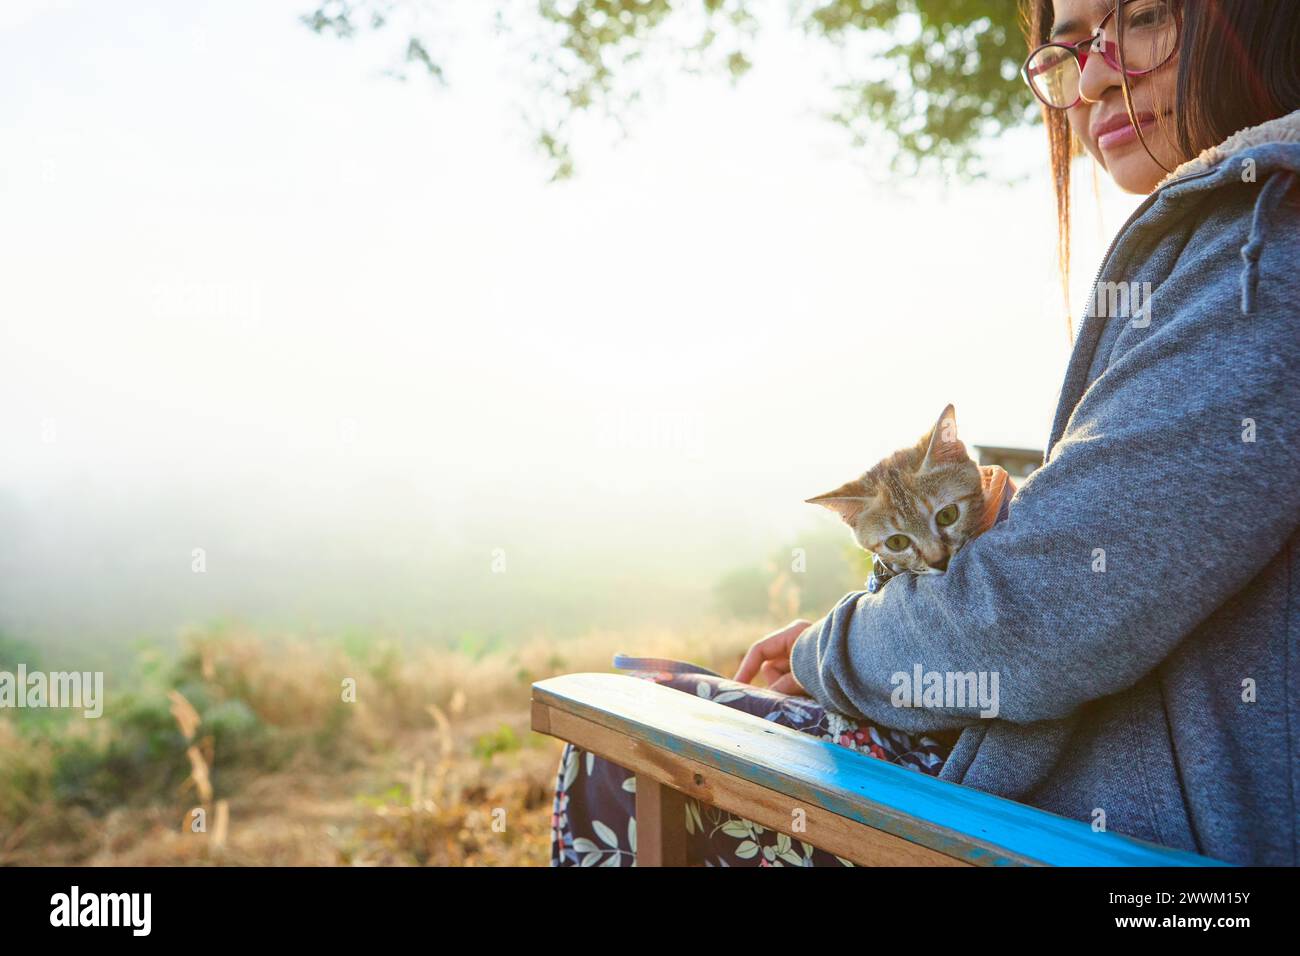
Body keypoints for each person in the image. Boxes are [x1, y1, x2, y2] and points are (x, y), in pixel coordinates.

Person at [550, 0, 1299, 866]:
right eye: (1068, 48)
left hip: (1146, 854)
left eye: (1141, 19)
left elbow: (1037, 616)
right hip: (1097, 792)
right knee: (670, 696)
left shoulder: (1267, 245)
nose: (1093, 77)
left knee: (626, 753)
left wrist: (833, 650)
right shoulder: (1228, 231)